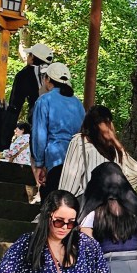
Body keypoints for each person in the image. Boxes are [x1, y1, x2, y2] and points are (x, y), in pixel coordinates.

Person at [59, 104, 137, 199]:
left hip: (98, 205)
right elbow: (70, 180)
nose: (109, 126)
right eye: (104, 122)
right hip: (97, 204)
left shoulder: (114, 148)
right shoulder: (81, 142)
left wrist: (116, 143)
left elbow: (68, 183)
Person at [30, 61, 84, 196]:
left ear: (47, 80)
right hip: (75, 159)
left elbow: (39, 135)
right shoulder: (78, 103)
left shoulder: (44, 100)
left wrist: (39, 164)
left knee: (51, 200)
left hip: (54, 158)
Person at [1, 42, 53, 162]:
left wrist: (5, 136)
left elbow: (15, 104)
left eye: (29, 55)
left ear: (32, 58)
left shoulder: (24, 75)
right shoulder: (55, 73)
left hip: (38, 120)